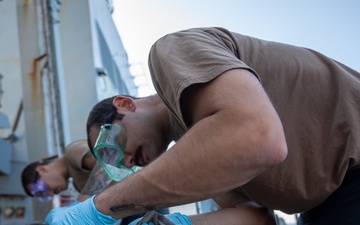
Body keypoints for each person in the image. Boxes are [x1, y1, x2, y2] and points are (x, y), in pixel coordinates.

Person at [45, 27, 360, 225]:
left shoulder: (171, 50)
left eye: (111, 148)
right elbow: (254, 216)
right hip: (328, 205)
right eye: (114, 165)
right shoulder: (202, 149)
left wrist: (98, 208)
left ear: (125, 104)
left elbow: (255, 137)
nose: (126, 163)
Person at [21, 139, 164, 224]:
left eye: (42, 190)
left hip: (143, 194)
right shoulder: (77, 182)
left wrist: (80, 204)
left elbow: (111, 155)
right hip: (138, 205)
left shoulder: (72, 153)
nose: (50, 194)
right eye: (43, 196)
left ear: (42, 170)